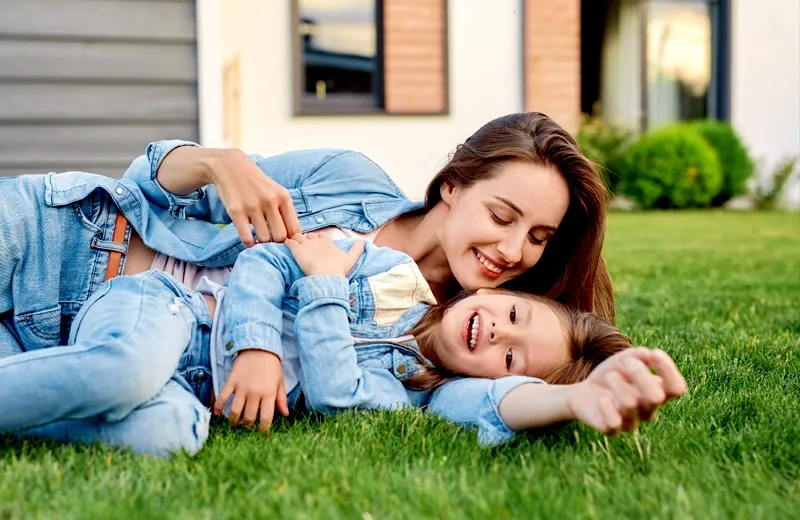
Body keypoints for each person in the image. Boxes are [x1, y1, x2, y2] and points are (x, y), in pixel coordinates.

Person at [1, 112, 612, 430]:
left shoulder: (439, 348)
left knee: (151, 425)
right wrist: (218, 162)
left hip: (76, 341)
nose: (512, 250)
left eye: (538, 237)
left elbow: (494, 401)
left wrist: (580, 396)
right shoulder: (348, 181)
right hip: (64, 237)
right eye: (502, 215)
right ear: (452, 185)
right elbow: (146, 181)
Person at [0, 233, 685, 457]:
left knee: (168, 437)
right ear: (490, 293)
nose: (498, 332)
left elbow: (334, 393)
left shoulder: (410, 401)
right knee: (127, 367)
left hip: (194, 398)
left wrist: (576, 400)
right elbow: (267, 261)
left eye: (509, 354)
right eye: (511, 313)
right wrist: (259, 350)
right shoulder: (392, 273)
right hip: (173, 313)